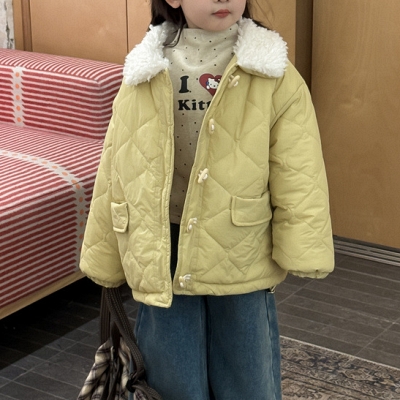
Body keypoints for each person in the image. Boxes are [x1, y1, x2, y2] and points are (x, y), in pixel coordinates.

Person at [80, 0, 335, 398]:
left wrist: (305, 246)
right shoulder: (145, 66)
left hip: (240, 246)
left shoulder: (272, 70)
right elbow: (117, 163)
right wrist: (104, 255)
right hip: (162, 246)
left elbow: (298, 165)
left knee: (247, 373)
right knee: (170, 373)